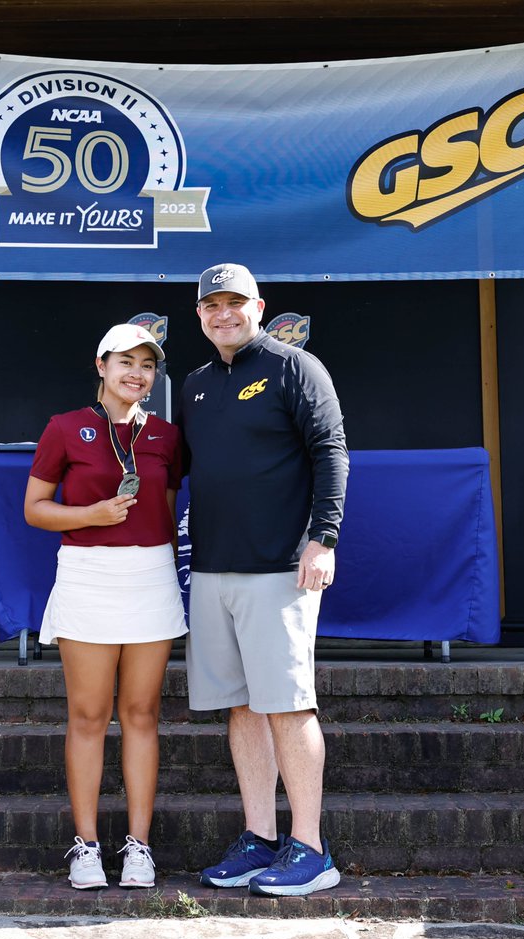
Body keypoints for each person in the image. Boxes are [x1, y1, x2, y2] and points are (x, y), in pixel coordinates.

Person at [178, 263, 349, 897]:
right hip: (213, 568)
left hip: (280, 567)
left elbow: (331, 451)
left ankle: (310, 847)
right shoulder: (194, 384)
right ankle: (260, 838)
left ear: (259, 305)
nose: (223, 314)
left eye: (235, 303)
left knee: (287, 703)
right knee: (242, 707)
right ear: (199, 315)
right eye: (211, 305)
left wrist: (323, 538)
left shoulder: (294, 367)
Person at [24, 322, 188, 891]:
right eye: (126, 362)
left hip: (149, 576)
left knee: (142, 714)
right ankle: (86, 845)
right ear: (101, 365)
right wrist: (88, 517)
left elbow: (164, 511)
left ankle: (139, 846)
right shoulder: (65, 428)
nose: (136, 374)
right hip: (88, 576)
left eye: (147, 365)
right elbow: (36, 509)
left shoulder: (166, 434)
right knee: (90, 715)